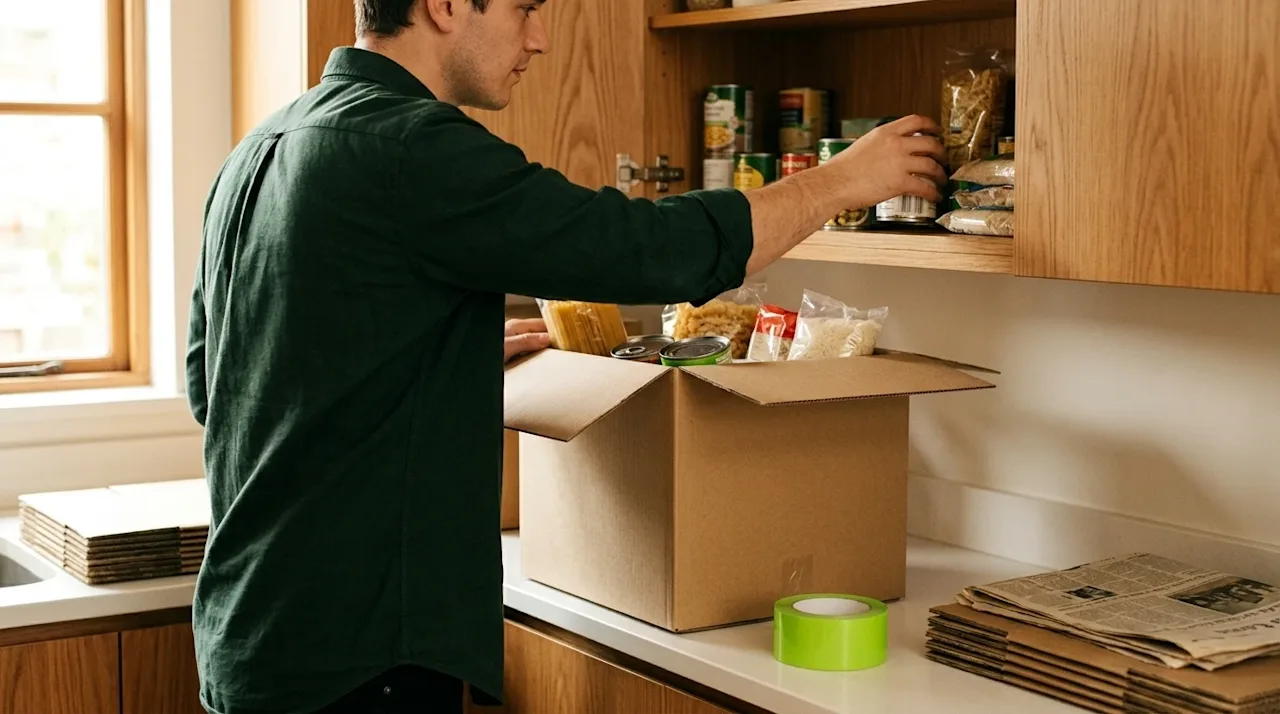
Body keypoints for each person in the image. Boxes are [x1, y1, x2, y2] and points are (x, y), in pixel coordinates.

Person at [184, 0, 946, 712]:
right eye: (525, 7)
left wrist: (417, 354)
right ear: (446, 5)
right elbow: (645, 252)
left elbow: (216, 378)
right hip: (361, 654)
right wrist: (843, 178)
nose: (540, 38)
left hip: (251, 630)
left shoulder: (262, 147)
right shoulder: (412, 147)